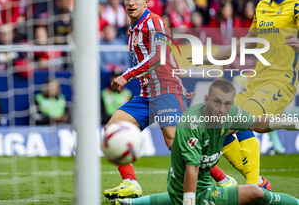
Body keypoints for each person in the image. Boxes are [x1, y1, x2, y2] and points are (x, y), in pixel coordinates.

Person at [195, 0, 299, 191]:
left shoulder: (296, 7)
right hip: (256, 82)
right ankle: (258, 182)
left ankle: (250, 183)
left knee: (236, 121)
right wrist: (209, 58)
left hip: (280, 83)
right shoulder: (262, 7)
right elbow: (245, 44)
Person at [111, 79, 299, 205]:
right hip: (187, 191)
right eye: (217, 103)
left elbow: (256, 123)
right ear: (207, 100)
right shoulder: (191, 124)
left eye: (227, 104)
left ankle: (132, 202)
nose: (222, 109)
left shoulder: (230, 112)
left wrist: (284, 123)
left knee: (254, 191)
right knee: (256, 193)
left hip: (204, 186)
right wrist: (190, 202)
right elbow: (191, 170)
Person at [103, 0, 197, 199]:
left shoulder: (154, 22)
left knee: (176, 142)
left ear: (146, 2)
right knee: (112, 129)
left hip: (165, 89)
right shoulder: (133, 28)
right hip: (147, 94)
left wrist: (127, 75)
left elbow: (159, 55)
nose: (131, 2)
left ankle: (221, 178)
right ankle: (130, 182)